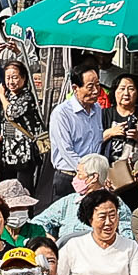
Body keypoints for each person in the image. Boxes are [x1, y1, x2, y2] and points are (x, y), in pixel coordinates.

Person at [56, 189, 138, 275]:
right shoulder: (74, 246)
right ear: (90, 219)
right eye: (102, 217)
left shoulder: (130, 246)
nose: (108, 223)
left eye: (112, 215)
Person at [46, 66, 107, 201]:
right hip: (70, 177)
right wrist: (86, 173)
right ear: (75, 88)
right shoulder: (61, 113)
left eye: (98, 85)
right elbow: (66, 150)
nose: (96, 91)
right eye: (90, 87)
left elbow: (97, 142)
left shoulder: (97, 109)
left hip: (93, 178)